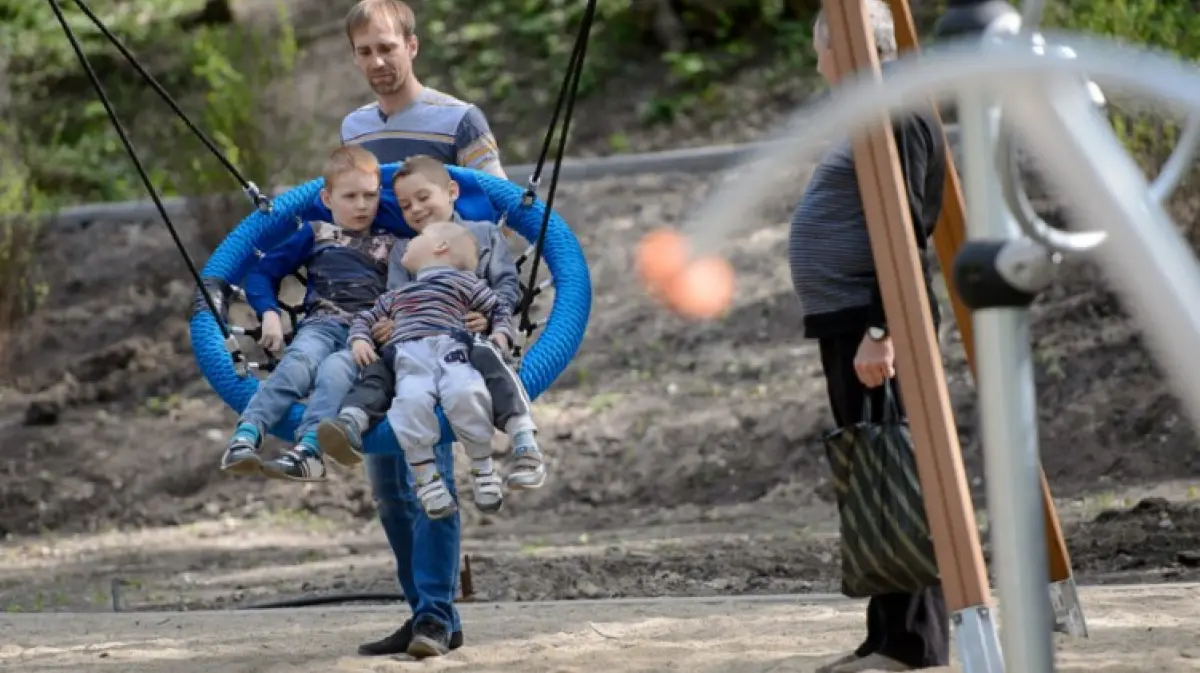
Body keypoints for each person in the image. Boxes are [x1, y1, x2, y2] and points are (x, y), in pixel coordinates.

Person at [332, 0, 509, 658]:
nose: (377, 63)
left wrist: (481, 296)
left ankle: (436, 612)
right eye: (364, 52)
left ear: (412, 44)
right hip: (379, 315)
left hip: (440, 314)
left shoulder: (458, 118)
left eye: (387, 47)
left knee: (424, 460)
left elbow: (498, 206)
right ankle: (424, 611)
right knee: (386, 483)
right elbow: (353, 208)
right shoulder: (355, 126)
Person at [787, 2, 950, 672]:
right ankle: (885, 634)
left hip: (874, 323)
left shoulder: (898, 108)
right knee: (872, 476)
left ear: (846, 47)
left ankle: (912, 645)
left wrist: (882, 328)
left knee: (896, 477)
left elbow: (908, 228)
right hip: (850, 321)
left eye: (820, 49)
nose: (817, 62)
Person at [317, 156, 545, 490]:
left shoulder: (483, 233)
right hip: (417, 344)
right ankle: (353, 421)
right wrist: (383, 328)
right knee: (383, 370)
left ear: (451, 191)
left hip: (470, 341)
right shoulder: (405, 251)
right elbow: (393, 299)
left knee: (490, 362)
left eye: (424, 197)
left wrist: (494, 320)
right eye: (406, 205)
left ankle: (523, 447)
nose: (416, 210)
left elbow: (505, 285)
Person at [219, 145, 393, 482]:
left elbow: (414, 286)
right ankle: (248, 434)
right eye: (350, 196)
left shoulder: (394, 243)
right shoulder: (315, 233)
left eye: (370, 196)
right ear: (327, 199)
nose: (361, 205)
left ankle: (309, 450)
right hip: (321, 325)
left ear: (380, 196)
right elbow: (261, 273)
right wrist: (269, 313)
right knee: (297, 364)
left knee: (334, 373)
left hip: (365, 336)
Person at [346, 220, 516, 525]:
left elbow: (499, 308)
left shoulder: (465, 283)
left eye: (420, 237)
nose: (408, 242)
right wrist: (360, 338)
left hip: (452, 354)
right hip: (412, 363)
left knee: (468, 392)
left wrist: (500, 333)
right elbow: (365, 317)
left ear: (439, 248)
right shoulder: (398, 295)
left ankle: (482, 466)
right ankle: (427, 479)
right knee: (408, 403)